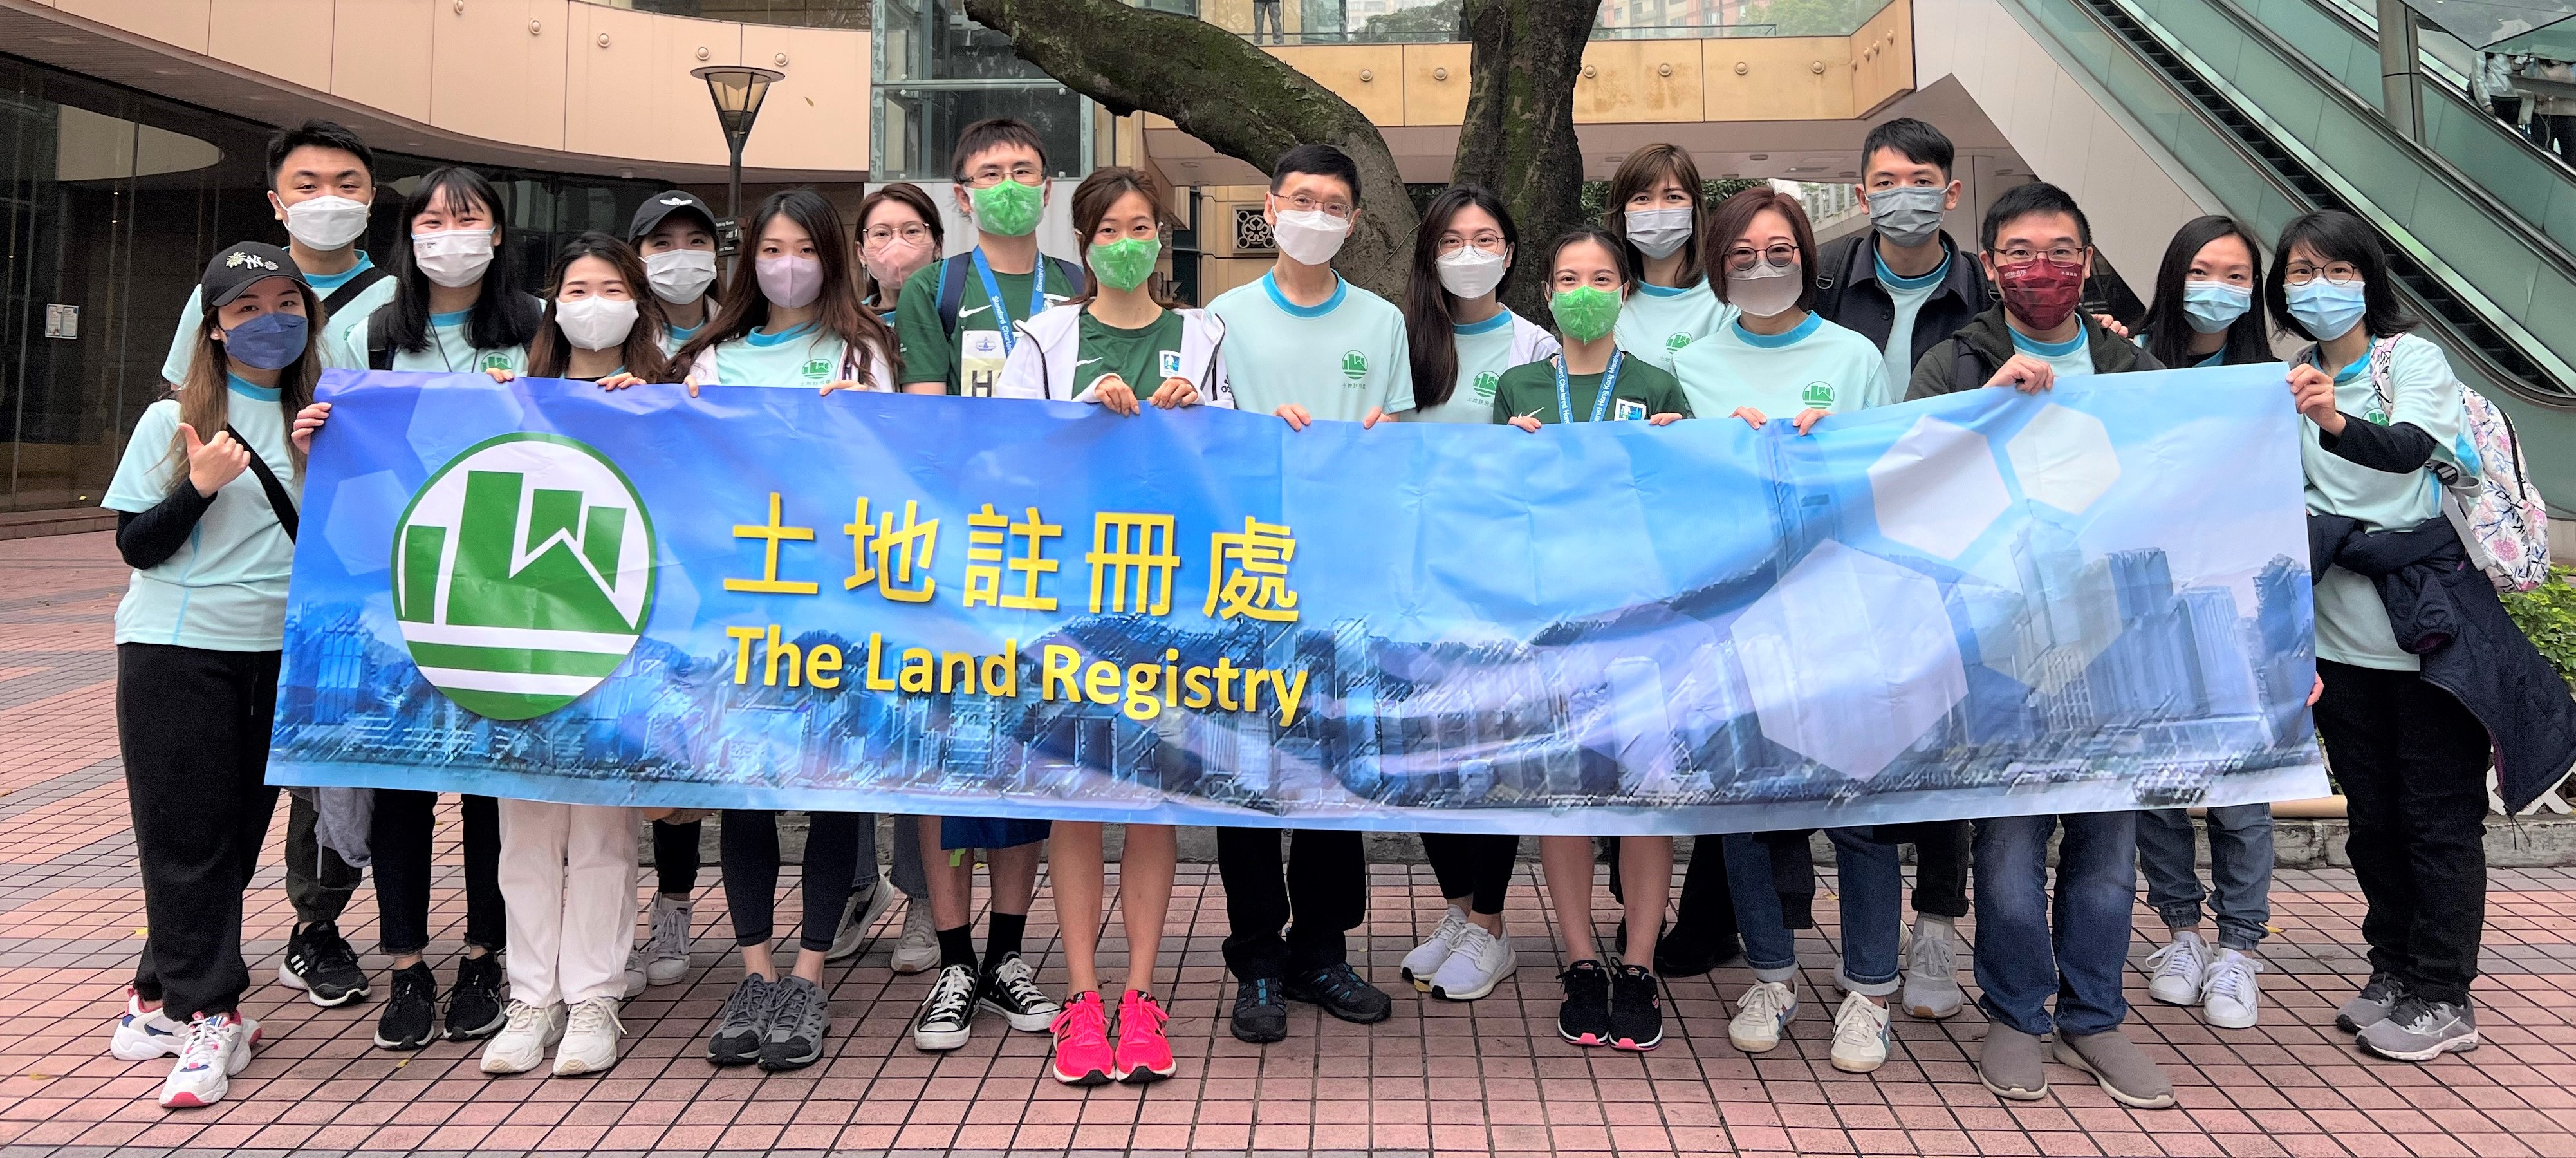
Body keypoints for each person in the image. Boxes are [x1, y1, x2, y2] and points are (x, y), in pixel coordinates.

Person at [2278, 209, 2576, 1061]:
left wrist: (2333, 420)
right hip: (2340, 644)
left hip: (2428, 635)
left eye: (2336, 270)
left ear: (2368, 281)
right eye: (2298, 271)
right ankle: (2393, 967)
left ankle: (2444, 992)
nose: (2317, 287)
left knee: (2436, 817)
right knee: (2372, 818)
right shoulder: (2287, 378)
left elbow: (2411, 447)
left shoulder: (2408, 361)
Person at [1903, 182, 2173, 1107]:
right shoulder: (1950, 360)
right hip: (1996, 642)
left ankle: (2093, 1014)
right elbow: (1910, 485)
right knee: (2009, 846)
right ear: (1988, 264)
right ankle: (2017, 1011)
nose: (2039, 268)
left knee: (2106, 848)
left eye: (2059, 250)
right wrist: (1985, 404)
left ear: (2087, 262)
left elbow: (2176, 483)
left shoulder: (2130, 370)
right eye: (2017, 252)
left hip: (2111, 641)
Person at [1662, 188, 1916, 1072]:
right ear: (1715, 265)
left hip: (1841, 612)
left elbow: (1891, 480)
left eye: (1777, 252)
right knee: (1741, 806)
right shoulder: (1689, 365)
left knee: (1857, 810)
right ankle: (1768, 970)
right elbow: (1665, 494)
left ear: (1806, 256)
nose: (1761, 268)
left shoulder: (1850, 357)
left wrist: (1834, 442)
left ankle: (1867, 988)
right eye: (1740, 256)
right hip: (1730, 618)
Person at [991, 165, 1224, 1085]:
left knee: (1150, 799)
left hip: (1172, 600)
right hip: (1066, 595)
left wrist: (1203, 413)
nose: (1128, 241)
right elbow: (998, 453)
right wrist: (1071, 416)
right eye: (1108, 229)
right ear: (1082, 244)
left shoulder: (1202, 336)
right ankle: (1080, 998)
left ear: (1161, 239)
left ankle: (1139, 992)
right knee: (1078, 798)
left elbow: (1234, 462)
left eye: (1143, 227)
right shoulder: (1045, 338)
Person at [663, 188, 903, 1072]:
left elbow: (899, 471)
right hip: (736, 612)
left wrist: (859, 427)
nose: (787, 262)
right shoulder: (711, 359)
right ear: (748, 259)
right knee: (748, 790)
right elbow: (676, 472)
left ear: (831, 255)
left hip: (837, 608)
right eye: (771, 247)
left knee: (833, 788)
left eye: (803, 246)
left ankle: (809, 974)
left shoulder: (862, 349)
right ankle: (754, 970)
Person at [154, 121, 384, 1013]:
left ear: (371, 196)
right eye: (309, 181)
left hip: (355, 562)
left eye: (349, 181)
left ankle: (315, 921)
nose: (330, 197)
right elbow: (186, 415)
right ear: (276, 199)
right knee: (227, 773)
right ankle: (188, 962)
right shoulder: (227, 290)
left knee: (329, 754)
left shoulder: (391, 298)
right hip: (238, 580)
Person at [106, 243, 322, 1108]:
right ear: (215, 329)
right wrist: (197, 484)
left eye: (286, 302)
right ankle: (211, 1015)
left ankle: (155, 993)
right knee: (184, 836)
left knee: (229, 839)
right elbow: (137, 546)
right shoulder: (174, 420)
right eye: (246, 308)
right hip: (177, 648)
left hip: (280, 651)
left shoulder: (322, 417)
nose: (270, 320)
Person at [1204, 142, 1409, 1043]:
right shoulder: (1220, 314)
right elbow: (1199, 438)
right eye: (1301, 200)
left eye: (1334, 204)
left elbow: (1397, 438)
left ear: (1354, 220)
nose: (1315, 216)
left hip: (1344, 572)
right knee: (1244, 775)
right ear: (1269, 206)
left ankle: (1321, 950)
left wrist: (1371, 437)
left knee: (1331, 766)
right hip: (1243, 575)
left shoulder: (1380, 322)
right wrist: (1253, 434)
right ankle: (1256, 962)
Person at [891, 122, 1073, 1052]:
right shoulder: (936, 288)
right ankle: (954, 958)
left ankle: (1007, 954)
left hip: (1058, 562)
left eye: (1022, 172)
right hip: (958, 559)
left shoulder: (1083, 289)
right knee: (944, 756)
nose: (1006, 185)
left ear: (1048, 188)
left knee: (1029, 755)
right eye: (987, 175)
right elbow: (926, 425)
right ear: (961, 196)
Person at [353, 167, 543, 1052]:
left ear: (497, 235)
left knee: (485, 784)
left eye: (468, 219)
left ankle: (481, 952)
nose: (450, 233)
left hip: (505, 587)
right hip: (398, 587)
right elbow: (341, 448)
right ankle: (403, 961)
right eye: (432, 219)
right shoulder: (373, 329)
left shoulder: (534, 325)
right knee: (400, 782)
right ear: (410, 234)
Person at [1488, 228, 1688, 1051]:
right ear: (1545, 289)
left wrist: (1673, 453)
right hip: (1549, 622)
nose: (1584, 289)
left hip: (1640, 619)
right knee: (1562, 794)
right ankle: (1578, 956)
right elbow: (1491, 501)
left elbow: (1687, 506)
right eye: (1568, 276)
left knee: (1642, 798)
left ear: (1624, 289)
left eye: (1601, 277)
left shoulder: (1654, 381)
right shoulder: (1518, 385)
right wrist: (1510, 457)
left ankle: (1637, 961)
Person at [1389, 184, 1559, 1002]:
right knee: (1424, 754)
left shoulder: (1535, 346)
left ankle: (1491, 924)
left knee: (1492, 752)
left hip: (1498, 584)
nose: (1468, 252)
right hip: (1409, 576)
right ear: (1429, 253)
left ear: (1511, 251)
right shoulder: (1403, 336)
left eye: (1485, 237)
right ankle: (1456, 911)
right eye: (1451, 239)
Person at [2121, 214, 2280, 1031]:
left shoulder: (2273, 379)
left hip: (2241, 609)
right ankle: (2179, 933)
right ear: (2173, 271)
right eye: (2202, 270)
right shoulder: (2124, 358)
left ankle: (2240, 947)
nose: (2215, 288)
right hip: (2150, 607)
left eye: (2235, 276)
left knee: (2241, 793)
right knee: (2157, 788)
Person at [1602, 144, 1732, 375]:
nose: (1658, 210)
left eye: (1673, 197)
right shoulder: (1604, 298)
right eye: (1642, 198)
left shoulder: (1725, 299)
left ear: (1694, 208)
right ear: (1622, 212)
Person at [631, 189, 721, 357]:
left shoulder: (741, 333)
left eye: (697, 241)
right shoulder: (619, 338)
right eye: (663, 243)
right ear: (637, 258)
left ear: (715, 253)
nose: (681, 254)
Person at [858, 182, 945, 326]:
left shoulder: (961, 315)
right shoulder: (849, 324)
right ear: (861, 252)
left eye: (912, 231)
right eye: (881, 234)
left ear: (937, 245)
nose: (897, 245)